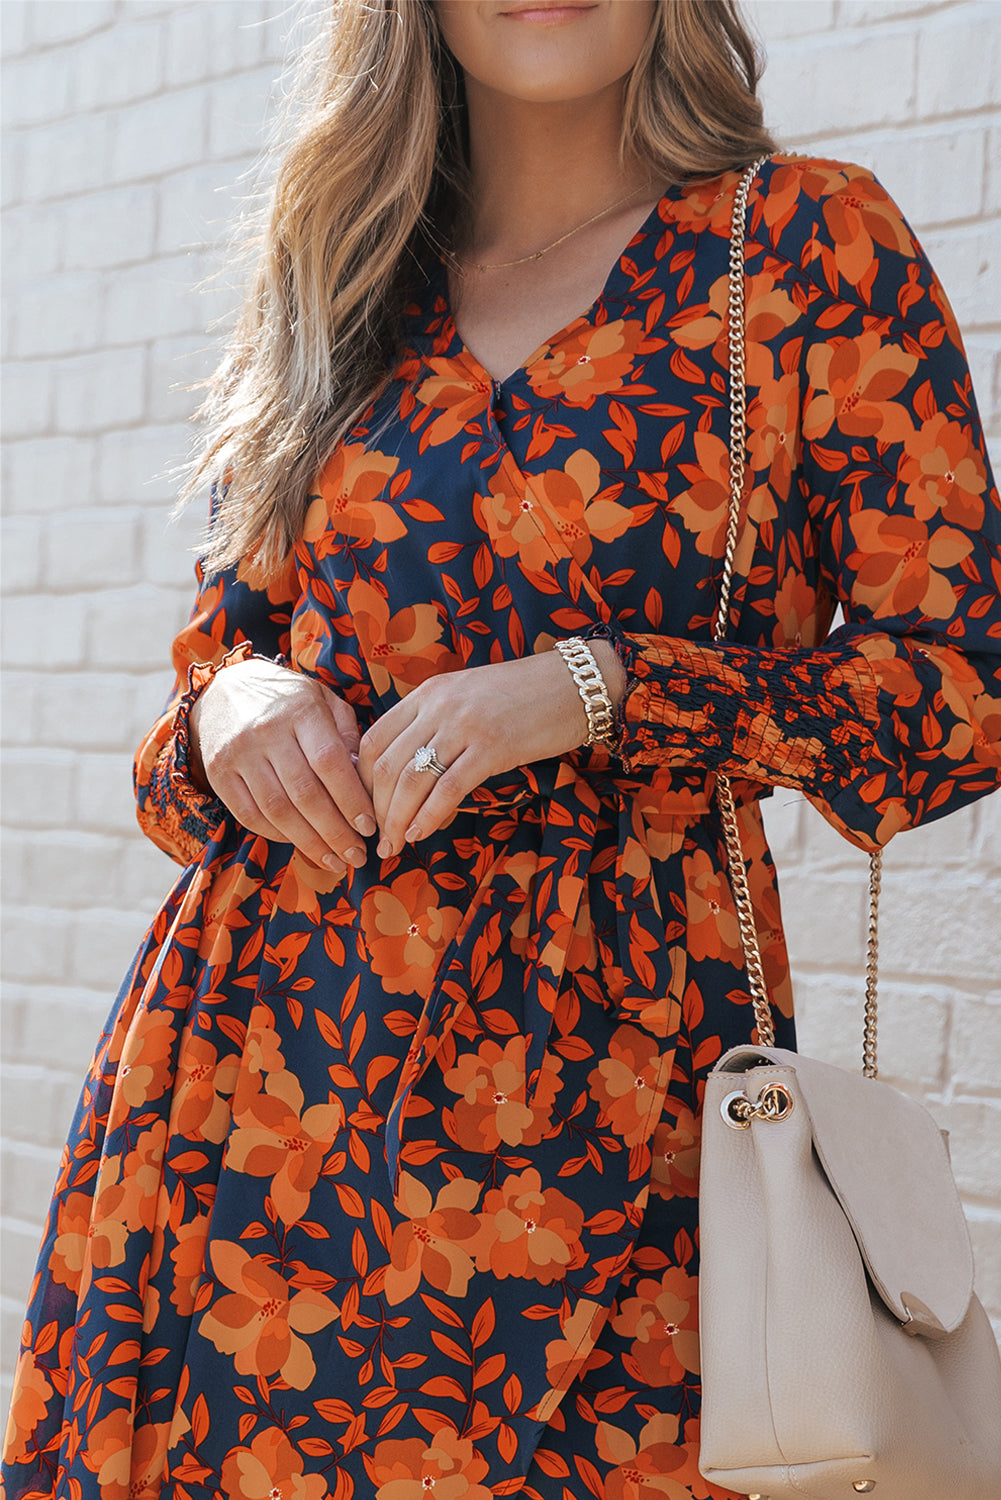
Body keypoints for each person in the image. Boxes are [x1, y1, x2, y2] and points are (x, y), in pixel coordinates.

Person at [4, 1, 1000, 1496]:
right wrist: (231, 711)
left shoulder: (798, 246)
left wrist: (601, 689)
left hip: (623, 1100)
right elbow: (203, 696)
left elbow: (956, 698)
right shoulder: (343, 278)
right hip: (262, 1083)